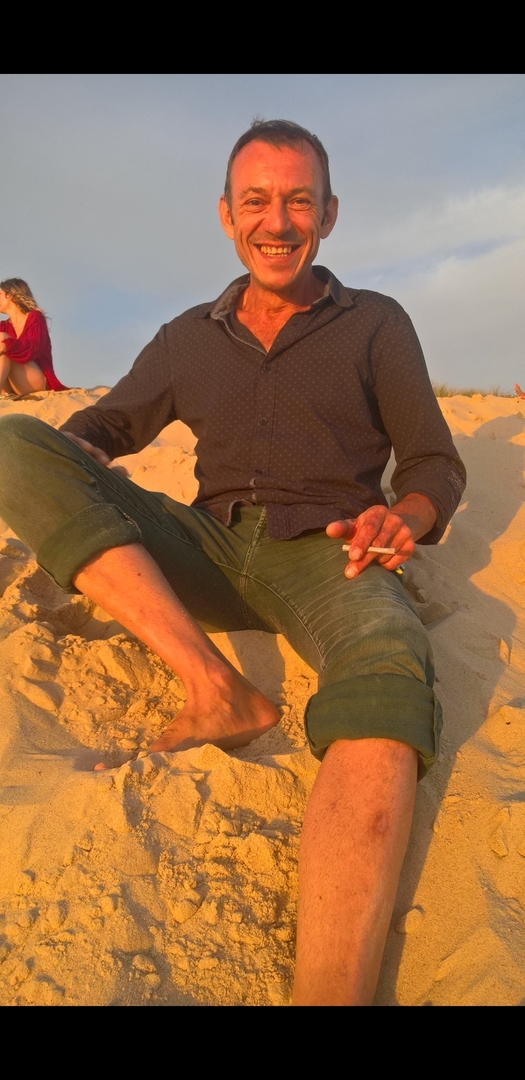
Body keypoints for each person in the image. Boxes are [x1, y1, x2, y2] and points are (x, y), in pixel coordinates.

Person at [0, 120, 465, 1005]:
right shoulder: (187, 337)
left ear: (329, 214)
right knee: (16, 446)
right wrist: (81, 458)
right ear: (226, 215)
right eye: (256, 201)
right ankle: (213, 686)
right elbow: (105, 426)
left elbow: (433, 462)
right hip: (205, 546)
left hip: (331, 553)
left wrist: (404, 515)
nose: (277, 222)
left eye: (298, 201)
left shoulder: (376, 323)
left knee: (388, 663)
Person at [0, 278, 67, 394]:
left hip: (35, 380)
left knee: (4, 346)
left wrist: (8, 343)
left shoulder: (35, 318)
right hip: (10, 385)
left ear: (9, 294)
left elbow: (35, 348)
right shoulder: (3, 326)